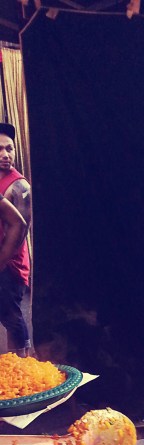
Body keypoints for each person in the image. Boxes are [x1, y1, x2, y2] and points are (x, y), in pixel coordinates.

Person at [0, 122, 32, 356]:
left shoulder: (19, 186)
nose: (5, 155)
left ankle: (22, 365)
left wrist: (0, 263)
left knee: (11, 315)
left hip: (10, 263)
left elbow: (20, 231)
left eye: (9, 149)